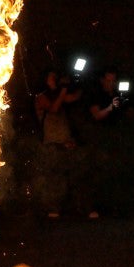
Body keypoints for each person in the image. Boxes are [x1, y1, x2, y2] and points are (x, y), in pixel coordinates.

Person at [33, 68, 86, 219]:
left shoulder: (60, 95)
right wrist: (62, 89)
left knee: (71, 176)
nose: (54, 79)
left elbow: (75, 97)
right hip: (51, 144)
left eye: (55, 77)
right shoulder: (40, 97)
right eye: (51, 77)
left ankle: (73, 208)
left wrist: (79, 81)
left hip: (66, 143)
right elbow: (54, 108)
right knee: (54, 177)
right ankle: (52, 209)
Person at [84, 66, 127, 218]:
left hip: (115, 138)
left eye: (113, 81)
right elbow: (96, 115)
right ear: (102, 80)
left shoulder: (117, 95)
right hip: (100, 139)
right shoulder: (96, 95)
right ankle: (93, 208)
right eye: (108, 80)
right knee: (98, 173)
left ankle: (112, 207)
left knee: (114, 172)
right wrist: (110, 107)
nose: (111, 83)